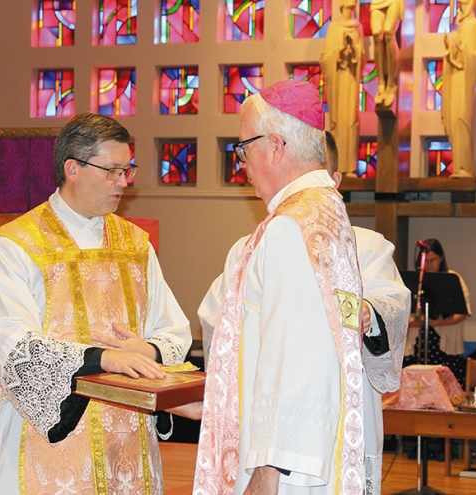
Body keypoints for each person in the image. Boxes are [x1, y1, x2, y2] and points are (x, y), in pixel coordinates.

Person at [0, 113, 192, 495]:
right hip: (45, 440)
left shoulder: (136, 245)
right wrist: (103, 359)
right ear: (72, 169)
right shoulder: (15, 247)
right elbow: (15, 349)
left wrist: (150, 350)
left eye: (127, 170)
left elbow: (172, 329)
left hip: (127, 441)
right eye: (112, 171)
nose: (123, 182)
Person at [193, 80, 365, 495]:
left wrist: (268, 471)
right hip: (307, 454)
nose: (242, 163)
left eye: (243, 148)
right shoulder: (323, 210)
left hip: (285, 469)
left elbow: (300, 354)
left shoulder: (290, 226)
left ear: (275, 146)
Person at [405, 238, 471, 388]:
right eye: (426, 261)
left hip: (444, 343)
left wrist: (441, 322)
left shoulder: (452, 278)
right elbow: (406, 309)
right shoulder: (416, 280)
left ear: (441, 258)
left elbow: (464, 312)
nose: (429, 265)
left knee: (444, 388)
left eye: (433, 260)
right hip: (419, 341)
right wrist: (411, 321)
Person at [320, 0, 365, 175]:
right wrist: (339, 50)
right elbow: (325, 57)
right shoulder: (335, 26)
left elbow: (362, 57)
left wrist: (353, 47)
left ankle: (350, 166)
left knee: (351, 121)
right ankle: (336, 167)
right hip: (338, 79)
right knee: (337, 122)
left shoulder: (358, 27)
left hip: (351, 79)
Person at [441, 0, 476, 178]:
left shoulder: (473, 24)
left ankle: (464, 166)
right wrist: (451, 44)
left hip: (464, 82)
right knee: (453, 122)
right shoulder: (459, 25)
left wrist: (459, 45)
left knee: (461, 120)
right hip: (455, 80)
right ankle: (458, 166)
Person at [370, 0, 403, 109]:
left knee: (389, 32)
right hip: (377, 2)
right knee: (377, 34)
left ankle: (390, 84)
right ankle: (381, 84)